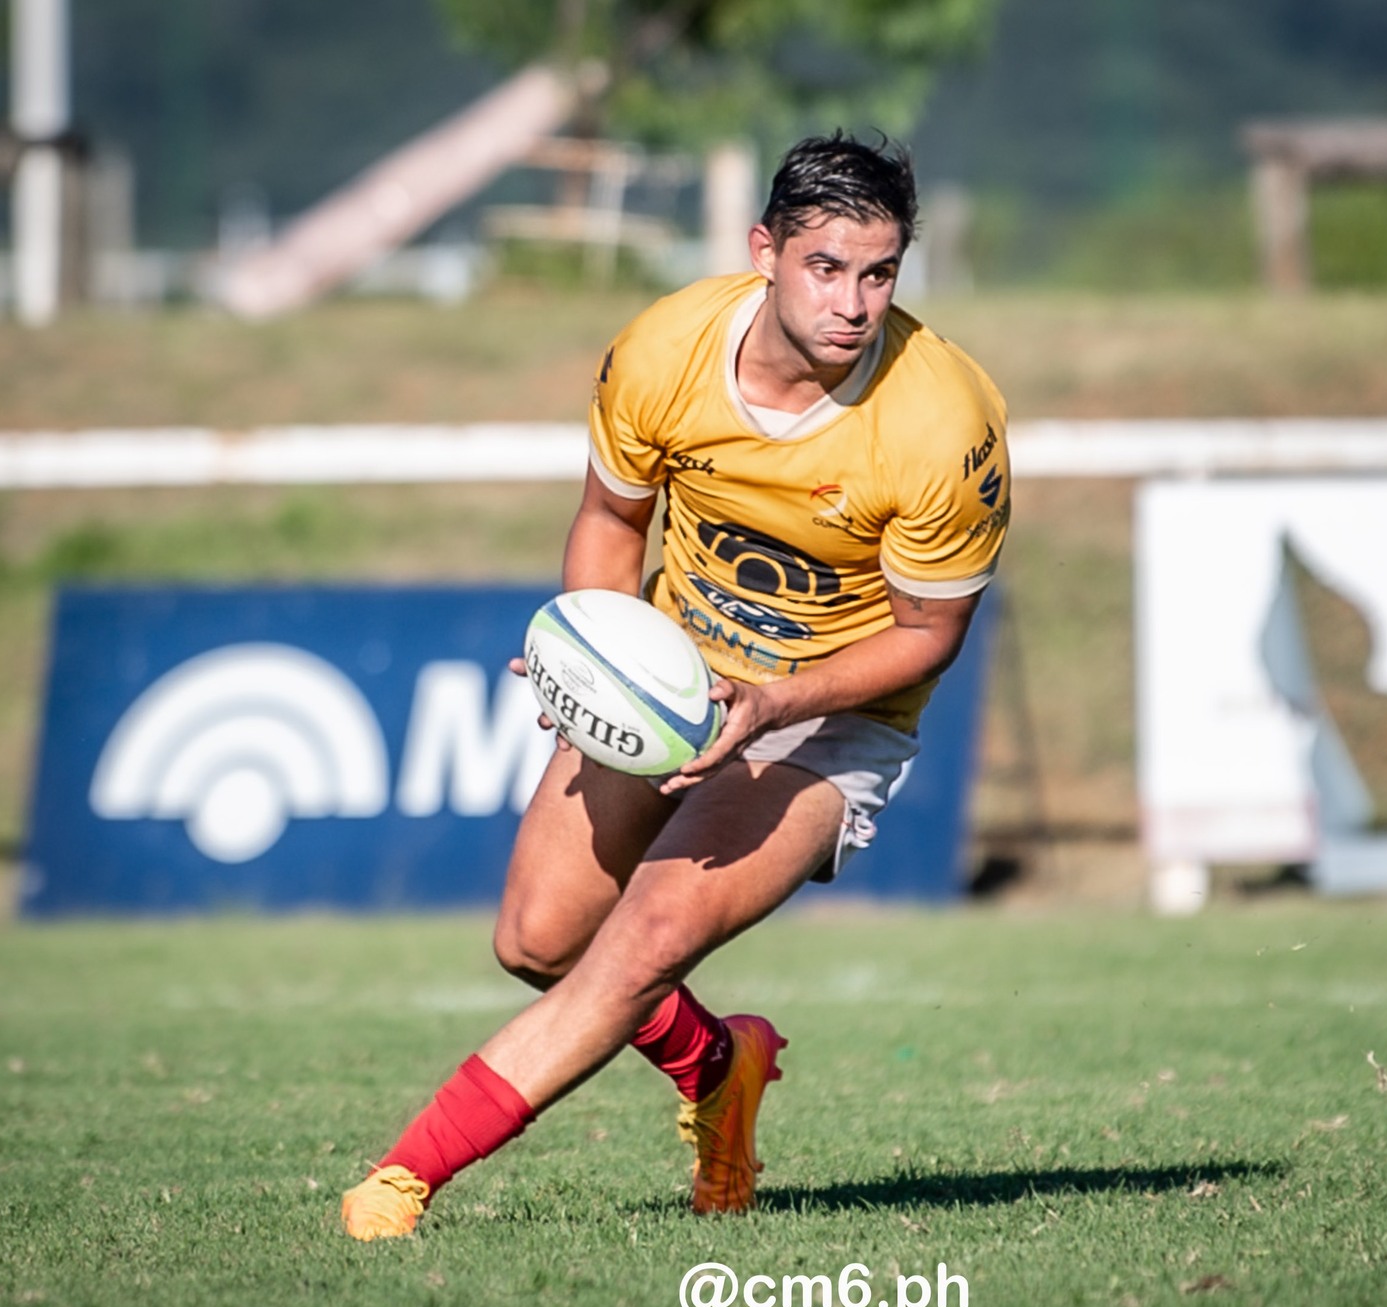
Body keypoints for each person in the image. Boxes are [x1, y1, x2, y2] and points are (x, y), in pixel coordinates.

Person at [340, 132, 1012, 1240]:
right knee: (540, 943)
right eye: (825, 267)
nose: (852, 302)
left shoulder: (944, 422)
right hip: (672, 676)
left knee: (642, 941)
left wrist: (773, 704)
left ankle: (403, 1179)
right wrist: (585, 658)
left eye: (879, 272)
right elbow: (611, 520)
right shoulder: (663, 349)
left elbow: (928, 634)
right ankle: (723, 1065)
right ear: (764, 250)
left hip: (827, 724)